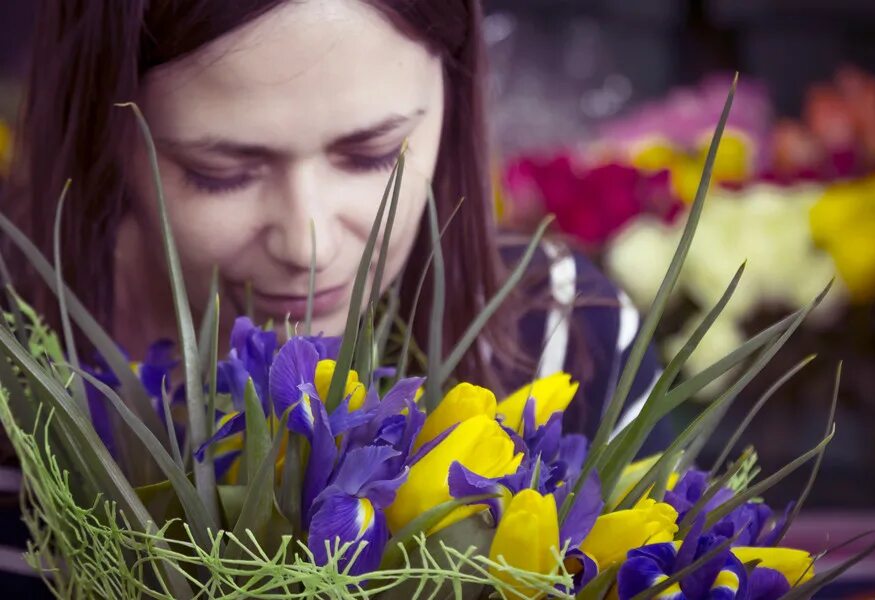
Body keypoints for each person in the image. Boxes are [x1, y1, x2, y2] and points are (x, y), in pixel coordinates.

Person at [0, 0, 667, 591]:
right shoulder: (16, 364)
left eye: (373, 153)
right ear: (103, 128)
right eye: (220, 172)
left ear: (454, 94)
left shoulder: (567, 333)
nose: (308, 246)